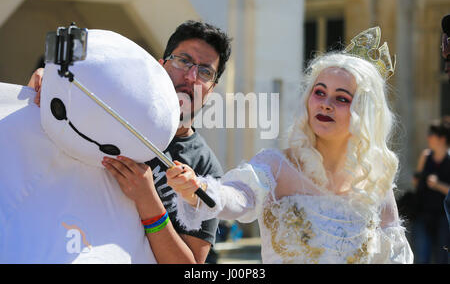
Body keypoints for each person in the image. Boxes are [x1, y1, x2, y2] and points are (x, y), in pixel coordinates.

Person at [166, 27, 414, 263]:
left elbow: (395, 258)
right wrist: (199, 189)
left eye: (341, 98)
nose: (325, 104)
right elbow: (237, 197)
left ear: (365, 112)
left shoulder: (375, 182)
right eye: (319, 92)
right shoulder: (275, 166)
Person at [28, 20, 232, 263]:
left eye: (205, 72)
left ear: (212, 88)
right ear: (161, 65)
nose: (191, 77)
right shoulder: (112, 108)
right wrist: (49, 83)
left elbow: (191, 265)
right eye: (183, 61)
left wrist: (148, 201)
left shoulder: (206, 169)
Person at [412, 119, 450, 264]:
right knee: (422, 257)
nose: (428, 137)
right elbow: (416, 182)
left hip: (444, 219)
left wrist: (437, 185)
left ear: (442, 138)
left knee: (442, 258)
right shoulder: (425, 156)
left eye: (431, 134)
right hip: (423, 215)